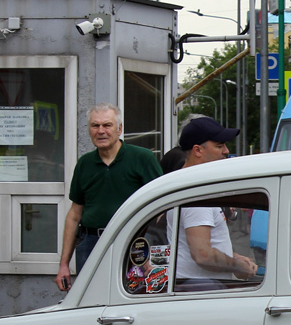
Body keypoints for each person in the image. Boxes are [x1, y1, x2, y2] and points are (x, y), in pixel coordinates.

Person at [56, 104, 163, 291]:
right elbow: (74, 214)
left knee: (133, 300)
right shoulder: (85, 164)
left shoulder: (142, 158)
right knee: (89, 301)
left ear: (119, 129)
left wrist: (145, 250)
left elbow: (160, 209)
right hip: (91, 244)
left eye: (107, 125)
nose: (101, 131)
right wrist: (64, 264)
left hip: (132, 243)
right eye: (95, 126)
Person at [170, 117, 256, 282]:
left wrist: (233, 256)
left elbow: (202, 245)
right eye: (219, 146)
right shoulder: (195, 193)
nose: (226, 151)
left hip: (200, 288)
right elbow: (202, 254)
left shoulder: (190, 185)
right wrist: (237, 266)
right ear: (198, 150)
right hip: (200, 290)